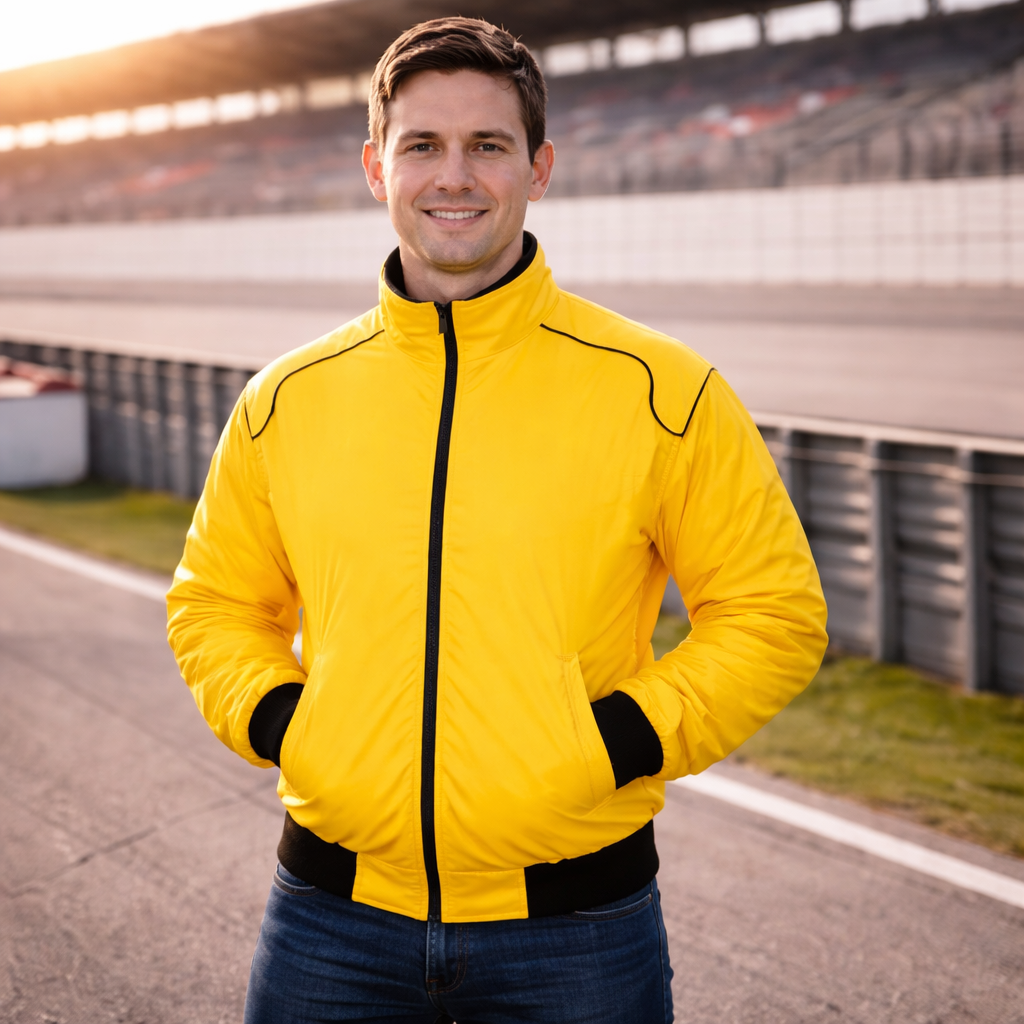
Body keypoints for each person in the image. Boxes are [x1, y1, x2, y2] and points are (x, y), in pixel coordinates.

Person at [166, 16, 828, 1023]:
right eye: (421, 144)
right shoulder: (285, 400)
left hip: (579, 930)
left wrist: (616, 740)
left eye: (488, 145)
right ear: (374, 167)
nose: (454, 176)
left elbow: (773, 612)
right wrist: (286, 723)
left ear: (540, 166)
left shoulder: (663, 389)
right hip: (328, 922)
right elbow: (214, 604)